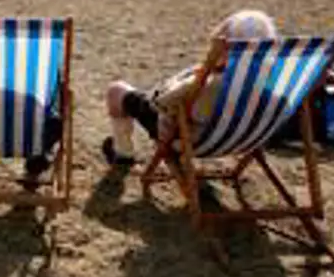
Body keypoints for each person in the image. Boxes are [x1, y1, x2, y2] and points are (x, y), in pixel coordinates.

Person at [102, 10, 279, 165]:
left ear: (226, 49)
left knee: (116, 91)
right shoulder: (269, 86)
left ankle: (123, 153)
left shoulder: (211, 84)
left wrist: (200, 72)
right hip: (242, 142)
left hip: (186, 139)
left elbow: (160, 103)